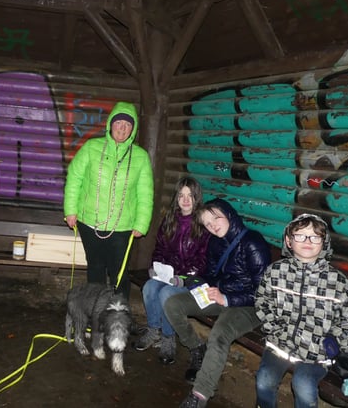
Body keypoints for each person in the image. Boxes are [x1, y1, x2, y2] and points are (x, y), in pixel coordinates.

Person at [163, 198, 271, 408]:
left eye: (216, 218)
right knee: (173, 303)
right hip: (222, 296)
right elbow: (211, 275)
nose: (212, 225)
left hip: (250, 305)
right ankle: (196, 347)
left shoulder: (253, 243)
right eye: (207, 223)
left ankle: (200, 394)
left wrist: (228, 298)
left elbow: (263, 294)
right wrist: (197, 282)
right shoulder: (215, 242)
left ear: (229, 214)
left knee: (219, 335)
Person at [255, 214, 348, 408]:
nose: (308, 241)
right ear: (289, 240)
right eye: (300, 235)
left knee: (303, 385)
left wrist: (340, 344)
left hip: (317, 353)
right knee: (263, 381)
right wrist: (275, 329)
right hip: (280, 345)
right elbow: (262, 301)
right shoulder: (275, 272)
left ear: (324, 241)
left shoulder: (339, 282)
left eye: (315, 236)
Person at [63, 101, 154, 300]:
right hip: (89, 223)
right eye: (119, 122)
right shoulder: (91, 147)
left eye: (128, 124)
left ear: (133, 129)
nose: (122, 127)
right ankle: (95, 315)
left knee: (119, 274)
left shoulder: (140, 157)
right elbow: (74, 178)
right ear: (110, 124)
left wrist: (142, 223)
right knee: (95, 270)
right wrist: (70, 210)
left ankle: (119, 320)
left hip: (122, 228)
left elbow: (145, 193)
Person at [134, 177, 210, 365]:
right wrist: (156, 267)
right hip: (168, 275)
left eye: (190, 196)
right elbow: (159, 248)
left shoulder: (202, 225)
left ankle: (168, 338)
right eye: (181, 195)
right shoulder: (169, 220)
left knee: (167, 294)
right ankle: (154, 329)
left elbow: (203, 261)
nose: (185, 200)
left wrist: (183, 278)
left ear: (196, 198)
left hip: (191, 280)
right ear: (176, 197)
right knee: (150, 287)